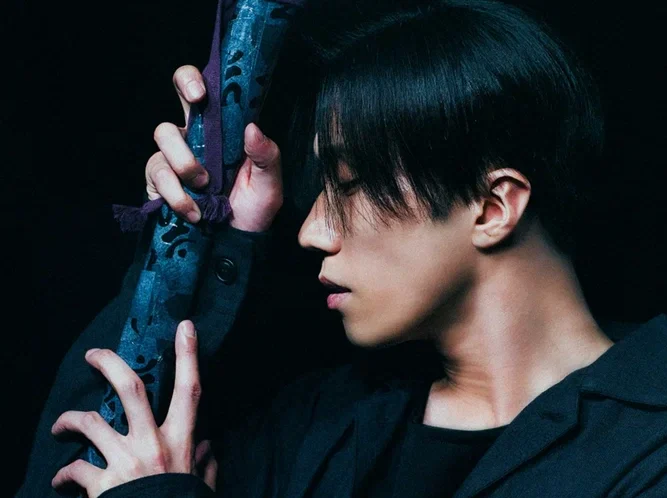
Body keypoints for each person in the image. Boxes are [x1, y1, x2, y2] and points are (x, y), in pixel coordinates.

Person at [17, 0, 667, 497]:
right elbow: (73, 468)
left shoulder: (648, 450)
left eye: (350, 185)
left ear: (493, 208)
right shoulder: (322, 425)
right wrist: (197, 234)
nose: (310, 232)